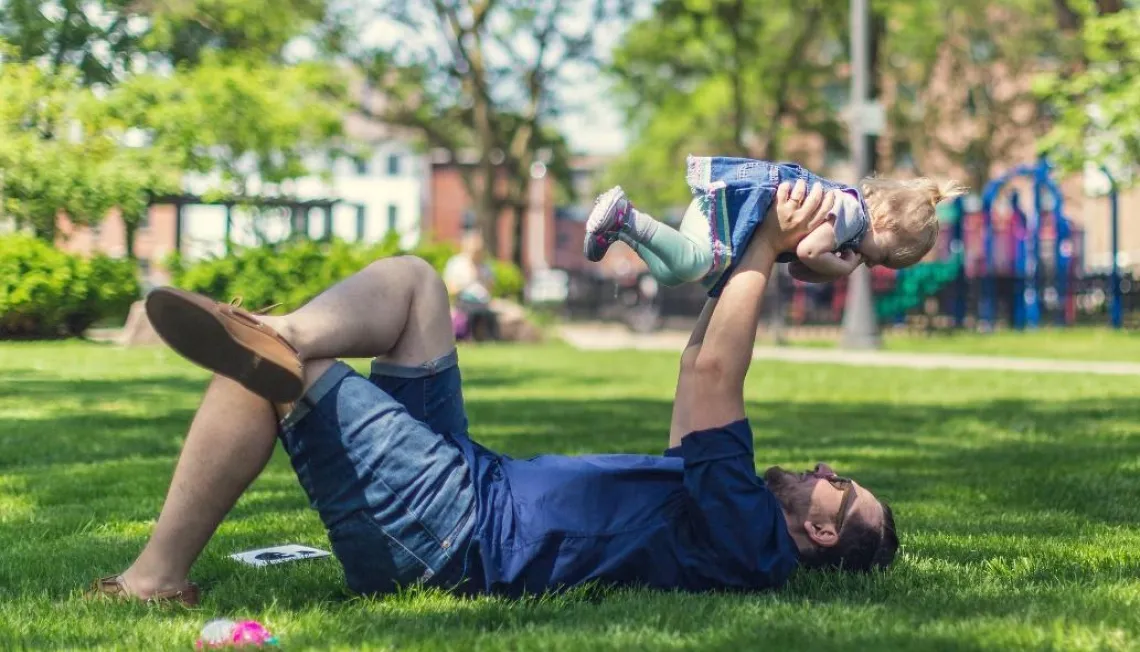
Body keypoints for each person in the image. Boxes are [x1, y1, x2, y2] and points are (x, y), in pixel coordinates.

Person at [85, 180, 896, 606]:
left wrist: (768, 240)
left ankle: (155, 579)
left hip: (453, 534)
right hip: (468, 484)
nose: (826, 469)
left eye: (842, 484)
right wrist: (764, 253)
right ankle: (282, 330)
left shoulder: (752, 543)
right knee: (415, 285)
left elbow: (720, 374)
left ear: (824, 531)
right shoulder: (725, 509)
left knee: (279, 379)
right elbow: (697, 368)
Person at [584, 155, 965, 292]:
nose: (870, 263)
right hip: (729, 210)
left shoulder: (845, 232)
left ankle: (622, 230)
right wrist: (840, 268)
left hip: (723, 213)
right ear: (883, 220)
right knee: (694, 264)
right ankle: (626, 215)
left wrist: (829, 270)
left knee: (671, 274)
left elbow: (799, 268)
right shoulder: (851, 215)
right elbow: (808, 251)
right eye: (881, 257)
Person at [442, 231, 498, 341]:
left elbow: (490, 288)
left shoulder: (485, 266)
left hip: (483, 301)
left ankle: (490, 337)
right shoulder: (456, 264)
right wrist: (467, 282)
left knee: (488, 313)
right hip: (464, 301)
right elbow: (450, 289)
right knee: (473, 312)